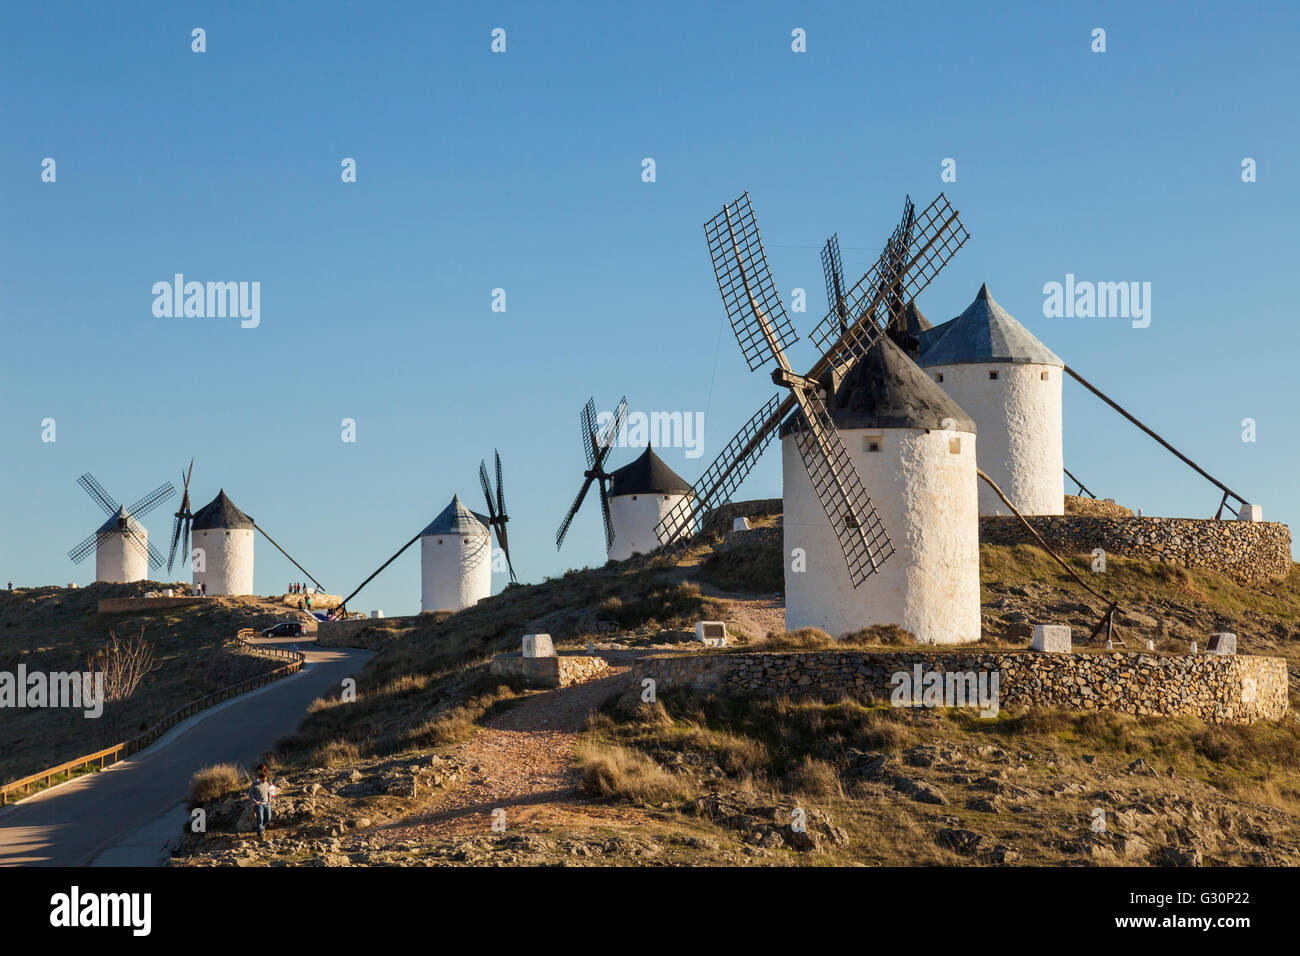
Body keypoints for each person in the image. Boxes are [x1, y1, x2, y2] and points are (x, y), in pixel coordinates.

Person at [249, 766, 274, 840]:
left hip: (266, 804)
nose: (264, 781)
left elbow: (269, 792)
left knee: (268, 818)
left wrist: (269, 801)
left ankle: (260, 828)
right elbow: (250, 795)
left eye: (265, 779)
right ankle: (260, 835)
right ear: (260, 778)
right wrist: (255, 802)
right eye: (263, 780)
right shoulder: (254, 784)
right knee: (260, 819)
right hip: (259, 804)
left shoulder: (266, 783)